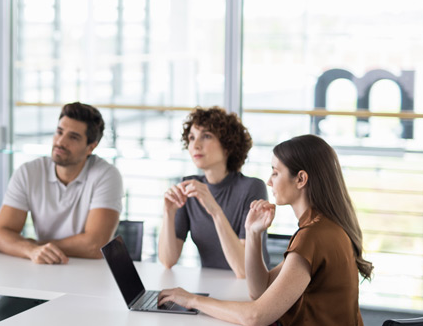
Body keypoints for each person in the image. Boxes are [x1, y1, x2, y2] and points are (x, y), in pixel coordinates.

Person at [158, 134, 374, 326]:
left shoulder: (313, 236)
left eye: (275, 172)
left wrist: (192, 300)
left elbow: (255, 317)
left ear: (300, 179)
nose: (269, 182)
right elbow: (259, 290)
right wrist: (252, 233)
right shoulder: (322, 227)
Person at [0, 102, 123, 324]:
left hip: (88, 282)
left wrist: (39, 246)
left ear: (91, 147)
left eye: (73, 137)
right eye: (59, 132)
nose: (60, 142)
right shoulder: (29, 172)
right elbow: (0, 234)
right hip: (40, 276)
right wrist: (32, 250)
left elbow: (94, 244)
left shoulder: (106, 175)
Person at [158, 106, 269, 278]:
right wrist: (168, 213)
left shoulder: (252, 187)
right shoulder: (189, 187)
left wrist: (215, 210)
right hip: (210, 287)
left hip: (249, 290)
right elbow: (167, 260)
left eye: (206, 136)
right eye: (192, 138)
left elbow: (244, 271)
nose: (195, 145)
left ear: (228, 146)